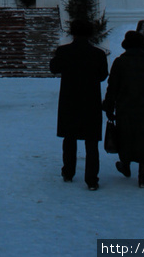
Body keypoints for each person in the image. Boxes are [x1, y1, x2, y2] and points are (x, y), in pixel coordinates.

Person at [103, 30, 144, 189]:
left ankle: (125, 166)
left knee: (126, 138)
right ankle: (142, 178)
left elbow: (113, 87)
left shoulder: (120, 62)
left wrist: (109, 106)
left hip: (126, 107)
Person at [49, 18, 109, 190]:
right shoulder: (98, 54)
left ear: (73, 33)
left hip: (70, 100)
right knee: (91, 143)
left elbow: (53, 68)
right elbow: (103, 75)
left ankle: (68, 172)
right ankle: (91, 179)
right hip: (90, 101)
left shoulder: (64, 51)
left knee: (70, 138)